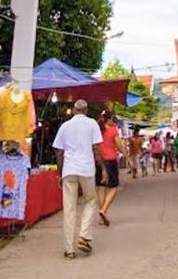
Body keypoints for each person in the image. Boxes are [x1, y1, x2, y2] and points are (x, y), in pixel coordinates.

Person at [52, 99, 106, 260]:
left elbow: (59, 153)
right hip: (86, 169)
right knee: (91, 200)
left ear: (74, 110)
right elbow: (96, 148)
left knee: (69, 208)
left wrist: (59, 173)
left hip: (69, 169)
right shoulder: (92, 124)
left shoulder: (65, 126)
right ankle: (83, 235)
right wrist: (103, 168)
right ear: (87, 110)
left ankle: (69, 249)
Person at [96, 110, 126, 226]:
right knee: (113, 188)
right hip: (110, 161)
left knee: (101, 188)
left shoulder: (98, 129)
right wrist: (128, 158)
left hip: (98, 161)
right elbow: (119, 146)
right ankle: (103, 210)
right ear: (109, 119)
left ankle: (102, 215)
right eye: (112, 119)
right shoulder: (113, 130)